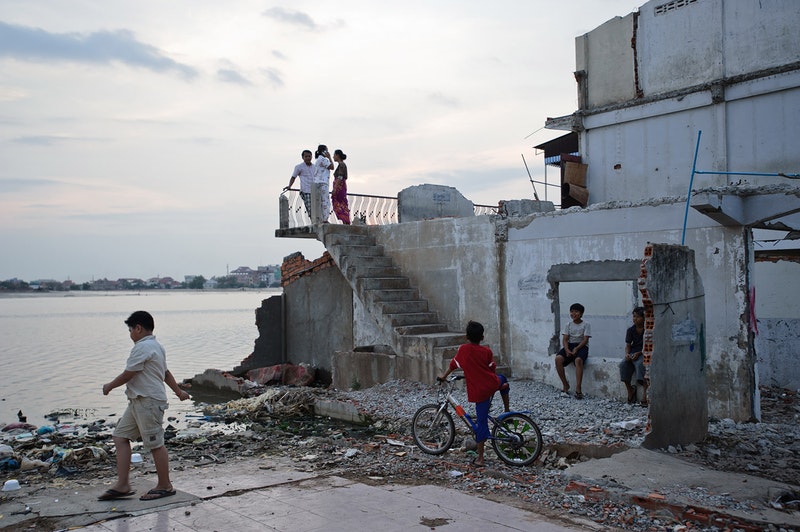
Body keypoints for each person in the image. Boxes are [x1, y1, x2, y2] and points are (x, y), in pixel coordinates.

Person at [99, 310, 190, 502]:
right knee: (120, 436)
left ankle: (165, 485)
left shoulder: (142, 347)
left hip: (148, 401)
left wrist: (109, 386)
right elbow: (165, 373)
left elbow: (128, 374)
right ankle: (123, 484)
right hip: (137, 401)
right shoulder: (157, 346)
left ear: (138, 328)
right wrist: (178, 392)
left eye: (131, 330)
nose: (130, 334)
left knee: (155, 444)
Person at [438, 321, 510, 467]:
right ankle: (507, 410)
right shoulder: (487, 351)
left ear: (466, 336)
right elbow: (492, 368)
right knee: (503, 379)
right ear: (482, 337)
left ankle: (480, 458)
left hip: (480, 390)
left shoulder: (464, 350)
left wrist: (444, 377)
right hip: (492, 382)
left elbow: (453, 364)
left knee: (481, 424)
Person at [555, 303, 591, 400]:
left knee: (578, 360)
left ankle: (578, 388)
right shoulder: (568, 324)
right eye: (572, 311)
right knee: (558, 359)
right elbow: (565, 339)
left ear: (581, 313)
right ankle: (565, 385)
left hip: (581, 346)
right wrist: (567, 349)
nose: (573, 314)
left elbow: (585, 339)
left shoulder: (586, 324)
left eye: (576, 311)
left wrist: (577, 348)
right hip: (570, 345)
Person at [619, 306, 648, 405]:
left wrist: (639, 353)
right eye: (634, 316)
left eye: (637, 317)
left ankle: (645, 394)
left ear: (643, 318)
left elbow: (650, 346)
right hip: (633, 352)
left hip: (644, 352)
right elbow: (628, 345)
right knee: (623, 364)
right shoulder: (631, 330)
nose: (634, 319)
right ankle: (630, 390)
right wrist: (627, 354)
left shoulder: (648, 330)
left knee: (641, 364)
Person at [284, 149, 315, 216]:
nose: (308, 158)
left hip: (315, 191)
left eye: (309, 156)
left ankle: (317, 222)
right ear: (303, 157)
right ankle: (314, 222)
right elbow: (293, 177)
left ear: (311, 157)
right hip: (306, 191)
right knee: (310, 209)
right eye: (306, 156)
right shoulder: (299, 167)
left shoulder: (315, 167)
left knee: (317, 209)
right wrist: (289, 186)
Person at [313, 144, 334, 222]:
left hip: (317, 182)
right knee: (325, 202)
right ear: (324, 151)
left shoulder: (318, 159)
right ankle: (325, 219)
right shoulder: (323, 159)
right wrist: (329, 158)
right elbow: (332, 167)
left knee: (320, 202)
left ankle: (320, 218)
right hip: (323, 183)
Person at [332, 149, 351, 224]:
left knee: (340, 202)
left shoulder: (341, 165)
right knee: (341, 203)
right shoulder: (342, 165)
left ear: (337, 155)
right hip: (340, 186)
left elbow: (340, 177)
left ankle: (345, 220)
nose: (333, 157)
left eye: (334, 155)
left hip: (339, 186)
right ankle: (345, 220)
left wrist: (335, 188)